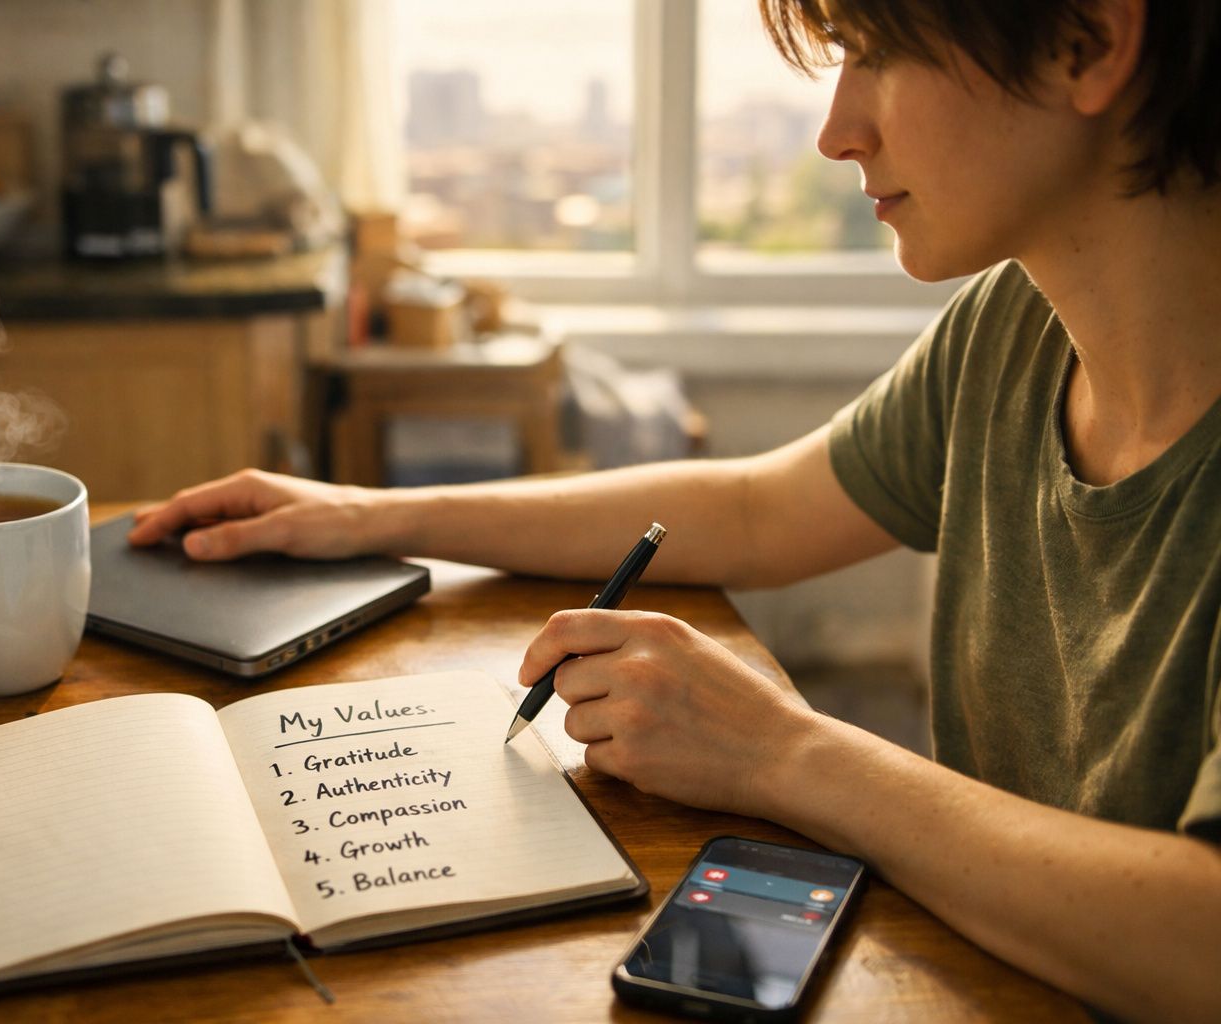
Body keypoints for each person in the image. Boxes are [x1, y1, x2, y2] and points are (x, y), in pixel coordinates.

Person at [128, 0, 1220, 1019]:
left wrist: (783, 752)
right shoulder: (1011, 330)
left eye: (875, 51)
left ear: (1087, 41)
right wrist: (370, 515)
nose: (837, 131)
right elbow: (756, 506)